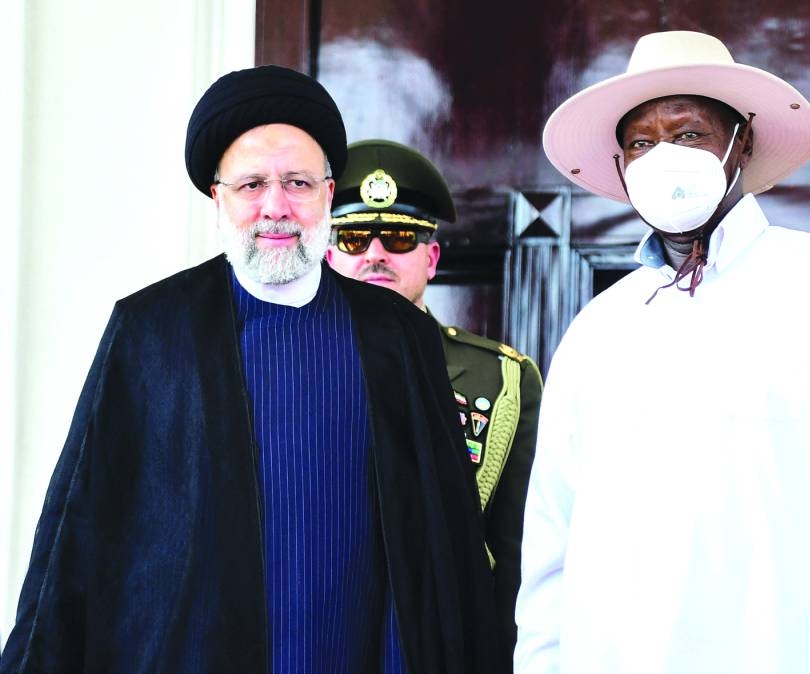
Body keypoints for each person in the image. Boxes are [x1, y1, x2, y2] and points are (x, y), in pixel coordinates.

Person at [1, 66, 500, 674]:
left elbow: (446, 547)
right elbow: (81, 535)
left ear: (328, 192)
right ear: (218, 196)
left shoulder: (398, 334)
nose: (276, 208)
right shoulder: (152, 330)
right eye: (251, 185)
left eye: (296, 182)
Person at [514, 31, 810, 674]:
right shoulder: (598, 327)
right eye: (641, 142)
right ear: (621, 166)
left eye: (688, 134)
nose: (663, 156)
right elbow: (552, 541)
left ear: (739, 143)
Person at [326, 139, 543, 671]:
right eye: (355, 237)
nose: (375, 253)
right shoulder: (281, 365)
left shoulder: (502, 378)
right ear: (330, 254)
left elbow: (520, 560)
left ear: (432, 256)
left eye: (399, 236)